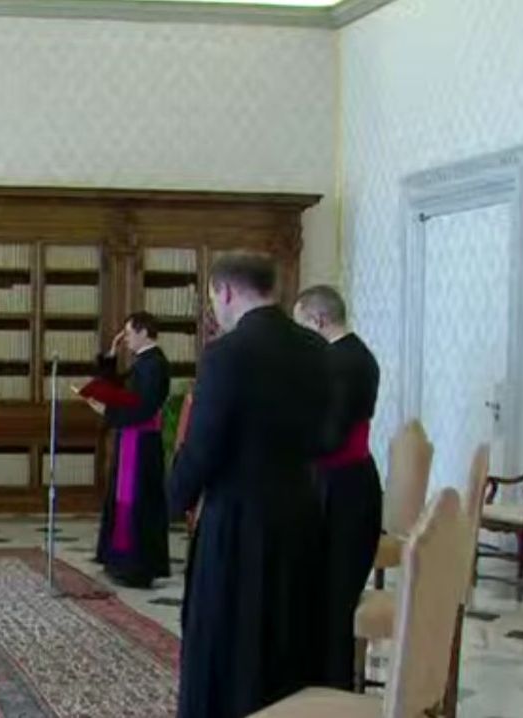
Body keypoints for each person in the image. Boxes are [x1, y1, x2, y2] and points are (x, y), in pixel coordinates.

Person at [168, 252, 331, 718]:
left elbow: (204, 447)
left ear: (224, 292)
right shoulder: (316, 349)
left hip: (237, 522)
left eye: (212, 299)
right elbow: (324, 435)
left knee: (227, 640)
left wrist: (172, 499)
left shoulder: (226, 353)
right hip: (301, 513)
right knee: (286, 636)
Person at [294, 284, 383, 690]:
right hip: (346, 480)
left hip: (341, 485)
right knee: (327, 588)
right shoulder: (355, 355)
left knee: (334, 592)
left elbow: (330, 434)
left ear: (318, 319)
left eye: (303, 325)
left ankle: (330, 686)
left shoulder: (341, 362)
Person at [87, 312, 172, 588]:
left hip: (143, 443)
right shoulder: (142, 363)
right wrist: (110, 356)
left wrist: (108, 410)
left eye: (128, 333)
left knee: (139, 504)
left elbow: (143, 405)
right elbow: (117, 388)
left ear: (143, 331)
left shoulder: (155, 364)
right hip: (132, 439)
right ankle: (120, 561)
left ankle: (137, 567)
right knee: (125, 501)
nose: (125, 339)